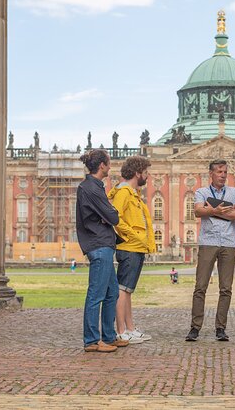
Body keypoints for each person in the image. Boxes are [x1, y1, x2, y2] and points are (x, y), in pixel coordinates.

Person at [76, 149, 129, 353]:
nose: (110, 166)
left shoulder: (95, 186)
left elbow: (108, 215)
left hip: (105, 243)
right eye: (108, 163)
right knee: (96, 294)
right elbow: (113, 216)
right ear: (101, 166)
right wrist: (108, 214)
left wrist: (106, 215)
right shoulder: (90, 188)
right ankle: (91, 340)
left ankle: (108, 337)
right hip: (98, 245)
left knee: (112, 293)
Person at [186, 159, 235, 342]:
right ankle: (195, 327)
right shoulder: (201, 192)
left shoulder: (234, 192)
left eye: (225, 172)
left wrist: (212, 210)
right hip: (208, 241)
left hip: (229, 242)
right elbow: (197, 211)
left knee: (226, 288)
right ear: (211, 173)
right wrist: (221, 211)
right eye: (219, 171)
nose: (223, 175)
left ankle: (221, 328)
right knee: (200, 286)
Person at [107, 155, 156, 345]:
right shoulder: (124, 193)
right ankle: (121, 331)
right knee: (122, 290)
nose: (147, 177)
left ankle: (130, 328)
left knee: (127, 290)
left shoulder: (132, 194)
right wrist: (131, 236)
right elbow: (115, 217)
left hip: (136, 247)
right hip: (129, 247)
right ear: (137, 173)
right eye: (145, 173)